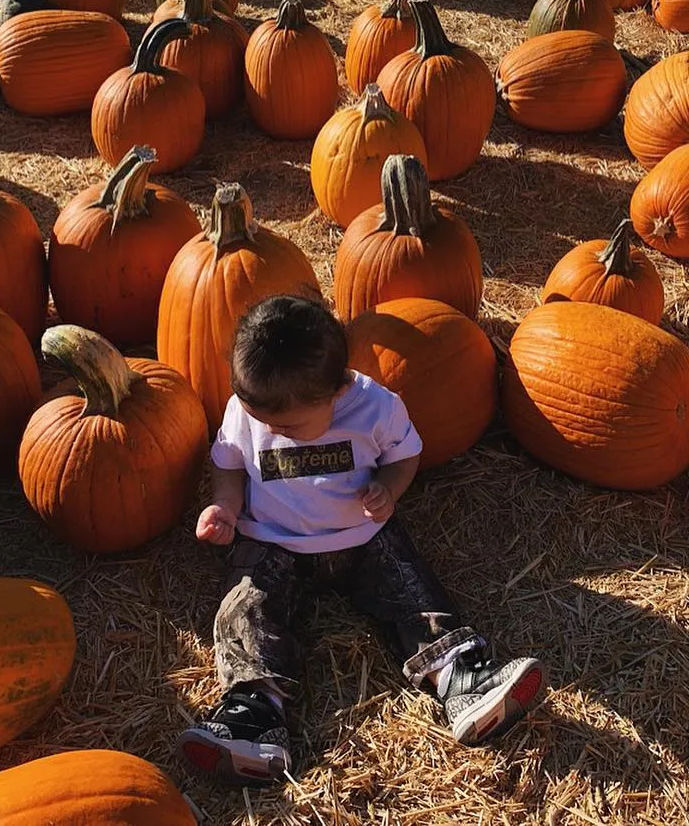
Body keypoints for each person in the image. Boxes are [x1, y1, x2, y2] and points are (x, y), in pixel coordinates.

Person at [177, 294, 545, 787]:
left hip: (361, 534)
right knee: (244, 608)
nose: (270, 430)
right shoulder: (249, 410)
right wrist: (223, 505)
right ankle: (254, 714)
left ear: (337, 390)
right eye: (261, 420)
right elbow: (228, 461)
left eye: (285, 427)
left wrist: (388, 490)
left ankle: (461, 677)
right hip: (274, 541)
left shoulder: (375, 406)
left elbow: (405, 455)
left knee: (411, 588)